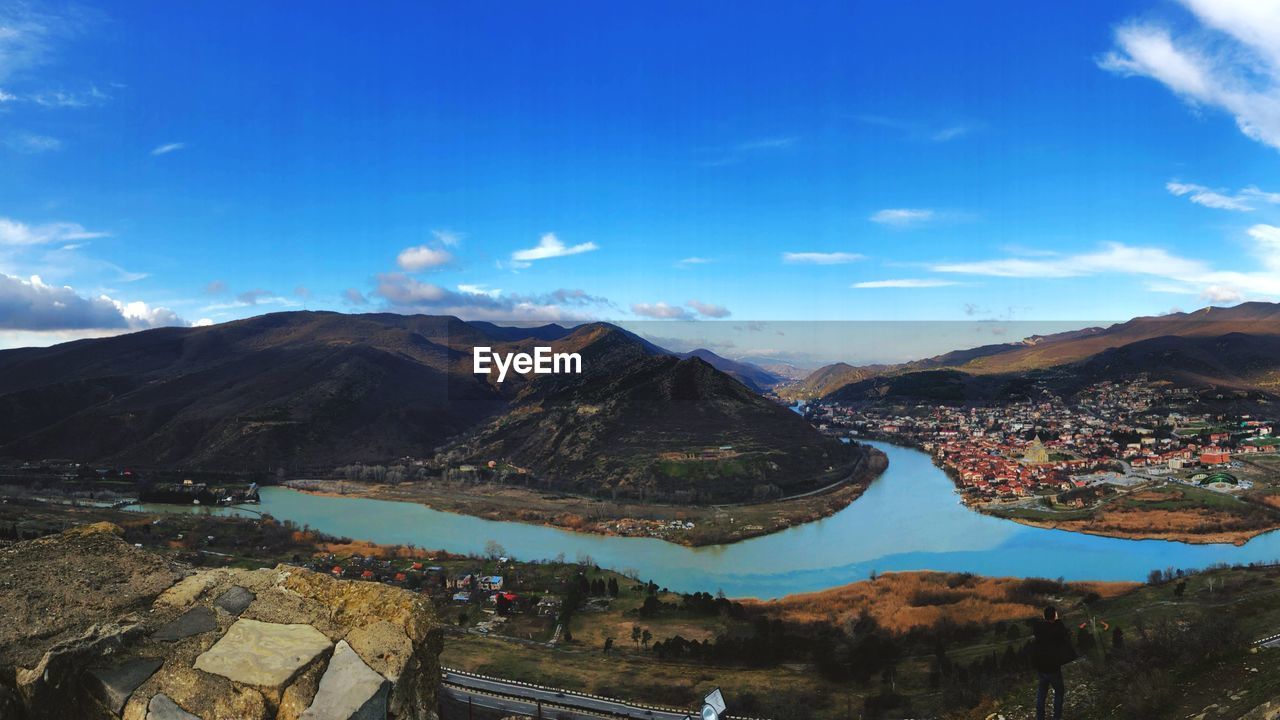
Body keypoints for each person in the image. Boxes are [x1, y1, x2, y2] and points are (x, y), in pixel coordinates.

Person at [1029, 605, 1076, 720]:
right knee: (1059, 692)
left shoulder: (1038, 628)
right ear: (1054, 615)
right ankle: (1056, 717)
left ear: (1044, 616)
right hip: (1052, 668)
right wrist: (1057, 619)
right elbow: (1063, 631)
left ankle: (1040, 717)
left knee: (1041, 693)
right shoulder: (1056, 629)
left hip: (1041, 667)